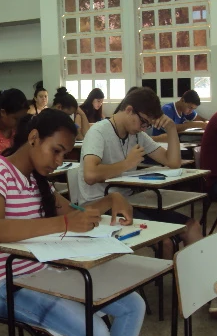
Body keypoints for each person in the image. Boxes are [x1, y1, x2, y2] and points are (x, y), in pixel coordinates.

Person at [0, 109, 183, 336]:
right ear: (34, 138)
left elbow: (75, 213)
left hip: (41, 273)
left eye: (64, 154)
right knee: (93, 329)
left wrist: (112, 199)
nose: (58, 160)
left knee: (133, 305)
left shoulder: (37, 180)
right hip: (3, 286)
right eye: (55, 150)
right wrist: (63, 224)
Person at [79, 87, 202, 258]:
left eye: (148, 125)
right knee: (165, 241)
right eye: (143, 122)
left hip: (131, 201)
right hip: (102, 204)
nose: (144, 128)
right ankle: (169, 276)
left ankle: (190, 276)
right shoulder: (98, 132)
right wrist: (127, 163)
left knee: (192, 227)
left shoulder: (136, 135)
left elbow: (173, 162)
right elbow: (90, 175)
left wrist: (171, 129)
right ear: (129, 110)